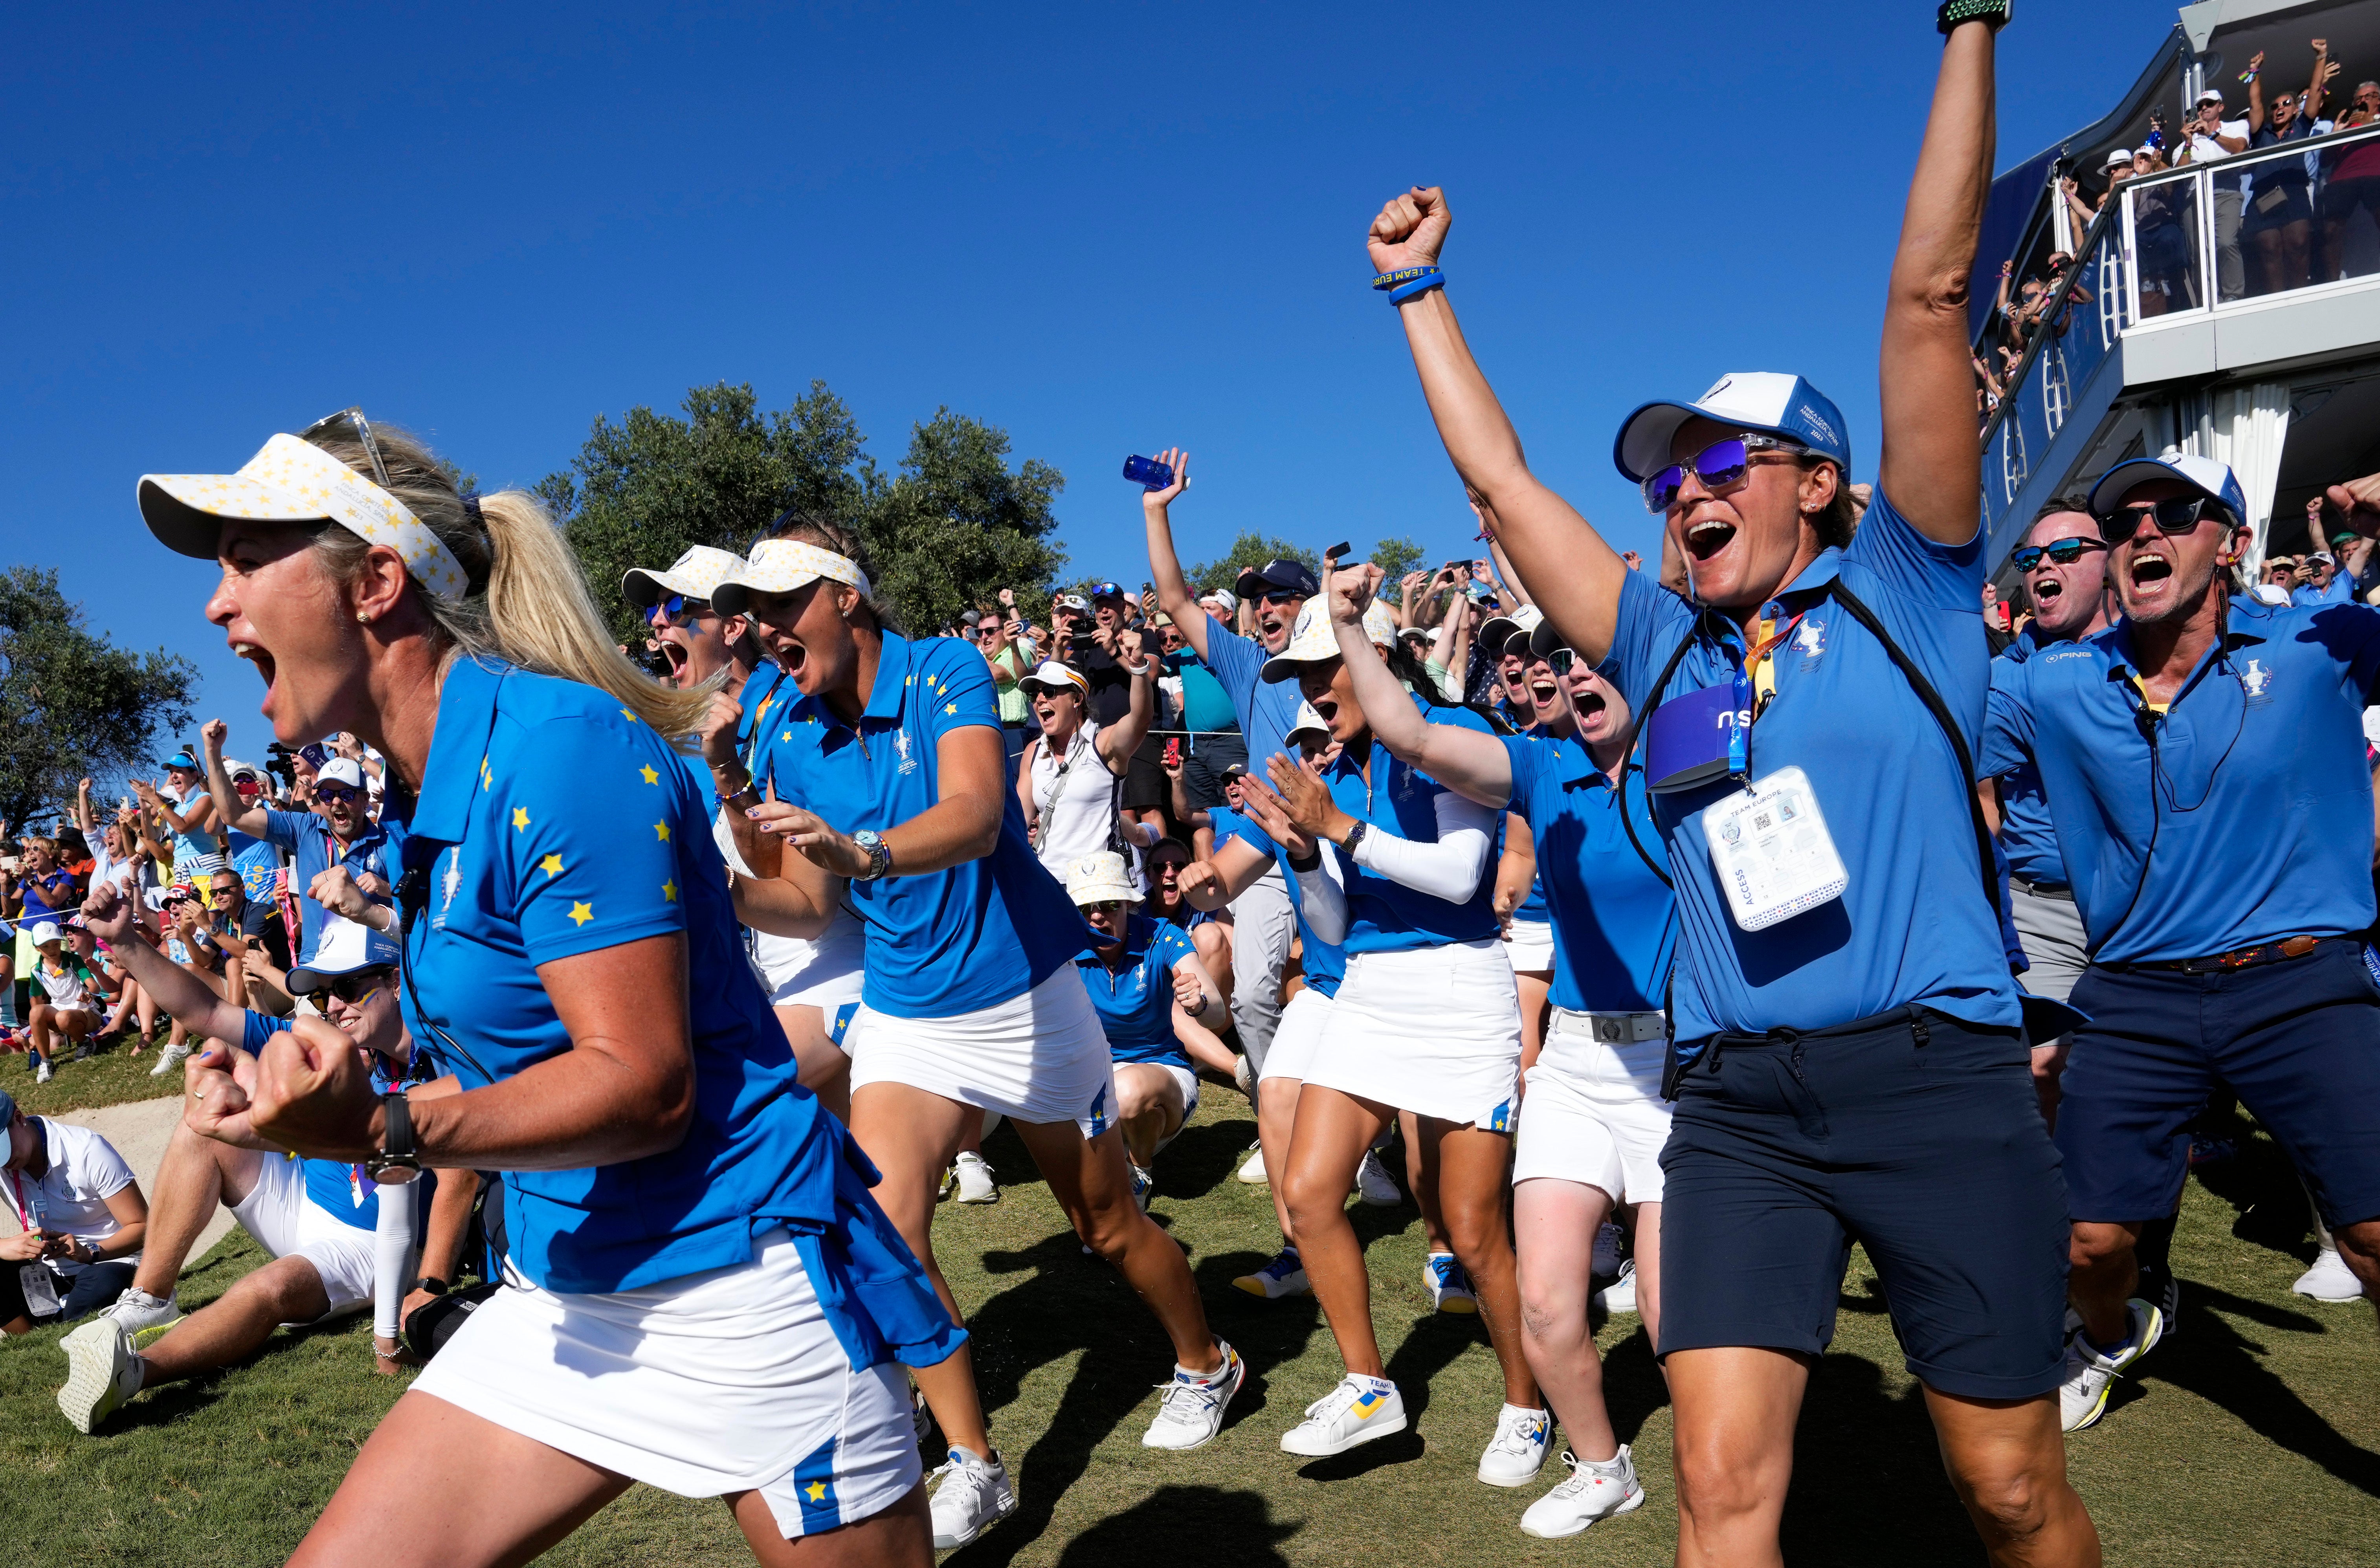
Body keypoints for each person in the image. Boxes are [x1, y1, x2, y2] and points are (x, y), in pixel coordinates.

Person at [1362, 11, 2098, 1562]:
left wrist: (1967, 27)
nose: (1681, 492)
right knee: (1717, 1494)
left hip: (1935, 1084)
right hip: (1736, 1107)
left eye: (1720, 465)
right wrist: (1417, 294)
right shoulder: (1657, 639)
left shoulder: (1904, 582)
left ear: (1817, 481)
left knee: (2009, 1489)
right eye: (1663, 478)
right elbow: (1500, 488)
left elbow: (1925, 296)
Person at [130, 410, 958, 1564]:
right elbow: (518, 1043)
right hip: (569, 1287)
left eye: (244, 561)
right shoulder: (436, 788)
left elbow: (643, 1084)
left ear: (375, 583)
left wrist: (380, 1123)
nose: (218, 604)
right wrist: (340, 1060)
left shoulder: (559, 745)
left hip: (741, 1285)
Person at [707, 516, 1241, 1551]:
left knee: (1104, 1226)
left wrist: (861, 850)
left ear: (844, 598)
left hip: (1028, 995)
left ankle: (1209, 1359)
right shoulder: (787, 726)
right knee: (889, 1229)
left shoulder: (943, 666)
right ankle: (975, 1460)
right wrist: (730, 797)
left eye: (781, 605)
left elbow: (977, 815)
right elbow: (804, 904)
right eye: (754, 612)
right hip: (909, 1009)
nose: (765, 628)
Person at [1981, 453, 2380, 1432]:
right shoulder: (2053, 682)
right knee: (2087, 1244)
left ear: (2233, 543)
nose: (2145, 532)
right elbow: (1916, 735)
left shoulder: (2313, 645)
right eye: (2125, 522)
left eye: (2178, 513)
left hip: (2303, 982)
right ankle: (2111, 1333)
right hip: (2135, 995)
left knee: (2372, 1234)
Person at [1229, 583, 1542, 1480]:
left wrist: (1338, 828)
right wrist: (1301, 852)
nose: (1310, 689)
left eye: (1322, 669)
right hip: (1367, 991)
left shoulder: (1448, 738)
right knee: (1309, 1191)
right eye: (1298, 676)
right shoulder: (1327, 766)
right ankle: (1369, 1386)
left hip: (1459, 989)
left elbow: (1459, 878)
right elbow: (1329, 928)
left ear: (1371, 660)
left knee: (1476, 1234)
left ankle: (1527, 1403)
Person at [53, 893, 437, 1425]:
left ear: (396, 981)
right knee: (204, 1120)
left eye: (347, 987)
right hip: (302, 1200)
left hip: (370, 1241)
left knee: (268, 1287)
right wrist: (125, 943)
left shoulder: (448, 1063)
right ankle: (149, 1296)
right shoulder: (329, 1040)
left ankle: (134, 1372)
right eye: (325, 994)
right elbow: (205, 1010)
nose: (333, 1007)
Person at [645, 534, 865, 1124]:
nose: (659, 625)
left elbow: (784, 884)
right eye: (653, 612)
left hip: (837, 970)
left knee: (727, 1106)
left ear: (734, 628)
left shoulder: (797, 712)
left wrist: (725, 773)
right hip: (759, 981)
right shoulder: (689, 742)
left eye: (677, 609)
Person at [1142, 465, 1317, 1176]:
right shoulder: (1246, 666)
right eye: (1258, 599)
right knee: (1249, 995)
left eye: (1281, 597)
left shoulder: (1347, 664)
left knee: (1347, 986)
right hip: (1267, 846)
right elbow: (1177, 599)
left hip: (1342, 841)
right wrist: (1158, 511)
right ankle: (1282, 1119)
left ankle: (1363, 1138)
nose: (1266, 607)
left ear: (1310, 603)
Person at [1983, 497, 2118, 1126]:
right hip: (2044, 906)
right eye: (2031, 557)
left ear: (2110, 560)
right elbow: (1967, 782)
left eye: (2066, 553)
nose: (2045, 566)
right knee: (2043, 1068)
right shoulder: (2008, 676)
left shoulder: (2156, 653)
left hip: (2152, 902)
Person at [1062, 851, 1230, 1190]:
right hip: (1094, 1078)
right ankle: (1128, 1146)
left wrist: (1197, 1001)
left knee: (1127, 1093)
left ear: (1128, 903)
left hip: (1162, 1072)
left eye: (1109, 904)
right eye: (1085, 908)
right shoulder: (1063, 948)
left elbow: (1217, 1014)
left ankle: (1139, 1171)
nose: (1096, 916)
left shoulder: (1163, 937)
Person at [2, 1088, 147, 1334]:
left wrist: (89, 1253)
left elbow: (144, 1227)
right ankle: (30, 1342)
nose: (3, 1162)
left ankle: (56, 1328)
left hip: (112, 1262)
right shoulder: (5, 1163)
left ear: (19, 1119)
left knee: (104, 1283)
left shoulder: (86, 1149)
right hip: (48, 1274)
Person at [1017, 653, 1161, 879]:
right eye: (1035, 694)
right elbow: (1019, 820)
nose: (1040, 700)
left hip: (1099, 885)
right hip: (1049, 882)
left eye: (1050, 692)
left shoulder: (1103, 744)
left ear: (1077, 700)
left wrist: (1138, 669)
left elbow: (1141, 718)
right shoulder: (1033, 752)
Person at [2176, 87, 2251, 301]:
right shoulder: (2185, 144)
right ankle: (2208, 300)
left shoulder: (2237, 126)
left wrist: (2211, 134)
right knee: (2198, 253)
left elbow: (2239, 149)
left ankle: (2233, 296)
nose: (2204, 109)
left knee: (2226, 242)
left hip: (2227, 193)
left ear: (2221, 106)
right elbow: (2180, 175)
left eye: (2209, 104)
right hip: (2196, 199)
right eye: (2200, 107)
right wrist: (2189, 143)